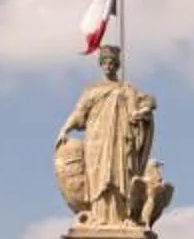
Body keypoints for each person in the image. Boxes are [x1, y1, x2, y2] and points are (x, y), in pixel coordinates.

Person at [54, 45, 158, 226]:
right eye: (105, 63)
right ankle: (98, 216)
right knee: (98, 175)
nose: (108, 66)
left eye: (112, 63)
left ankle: (121, 216)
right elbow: (79, 113)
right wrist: (65, 128)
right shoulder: (92, 90)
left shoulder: (127, 89)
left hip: (121, 139)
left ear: (117, 65)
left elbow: (138, 112)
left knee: (121, 174)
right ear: (101, 65)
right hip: (96, 139)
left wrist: (145, 113)